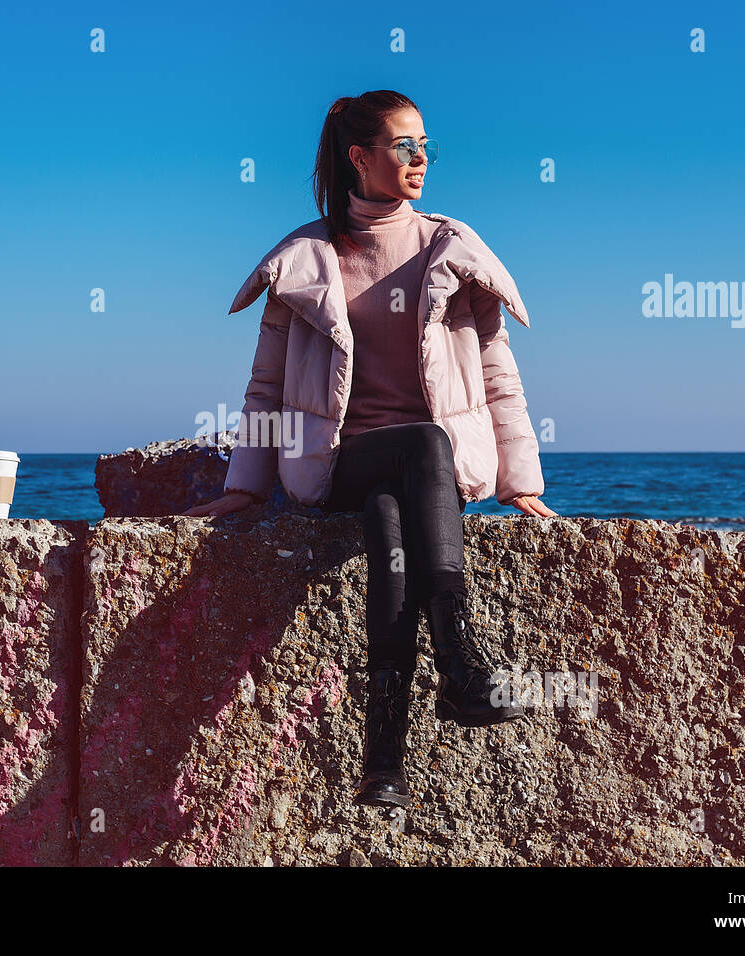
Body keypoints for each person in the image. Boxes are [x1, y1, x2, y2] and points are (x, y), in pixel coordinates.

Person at [182, 90, 558, 810]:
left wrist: (519, 481)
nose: (421, 160)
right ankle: (460, 658)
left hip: (425, 475)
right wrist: (245, 486)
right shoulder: (307, 259)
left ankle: (382, 760)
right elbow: (265, 389)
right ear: (360, 157)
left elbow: (499, 376)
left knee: (390, 519)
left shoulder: (453, 249)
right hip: (337, 457)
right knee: (416, 447)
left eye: (426, 147)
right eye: (404, 146)